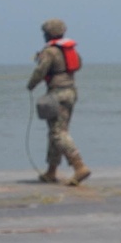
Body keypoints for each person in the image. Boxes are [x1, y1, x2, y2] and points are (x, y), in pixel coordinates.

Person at [27, 18, 90, 185]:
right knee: (56, 131)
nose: (44, 36)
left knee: (58, 133)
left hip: (57, 94)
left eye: (44, 33)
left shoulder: (50, 51)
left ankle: (79, 166)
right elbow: (79, 64)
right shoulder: (70, 50)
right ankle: (51, 171)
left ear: (49, 34)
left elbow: (41, 71)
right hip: (71, 92)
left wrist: (31, 85)